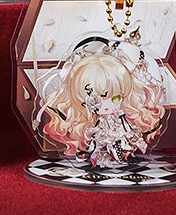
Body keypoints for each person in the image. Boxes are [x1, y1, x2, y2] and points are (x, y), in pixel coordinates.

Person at [38, 43, 166, 166]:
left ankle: (123, 156)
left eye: (116, 98)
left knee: (122, 140)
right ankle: (96, 158)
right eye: (96, 101)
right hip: (99, 133)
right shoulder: (93, 121)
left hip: (118, 130)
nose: (106, 106)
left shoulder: (122, 116)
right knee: (97, 143)